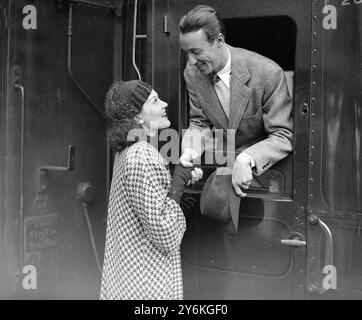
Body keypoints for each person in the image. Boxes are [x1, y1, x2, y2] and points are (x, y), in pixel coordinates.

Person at [99, 80, 202, 300]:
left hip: (130, 281)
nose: (164, 104)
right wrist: (180, 180)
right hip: (147, 287)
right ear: (137, 116)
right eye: (154, 101)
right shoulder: (142, 155)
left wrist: (179, 187)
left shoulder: (129, 151)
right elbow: (165, 235)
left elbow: (148, 211)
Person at [179, 5, 293, 198]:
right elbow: (200, 122)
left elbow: (283, 135)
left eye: (196, 52)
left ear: (219, 41)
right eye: (186, 53)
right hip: (223, 182)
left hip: (268, 183)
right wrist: (190, 150)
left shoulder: (268, 73)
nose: (190, 61)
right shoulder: (192, 73)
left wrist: (248, 158)